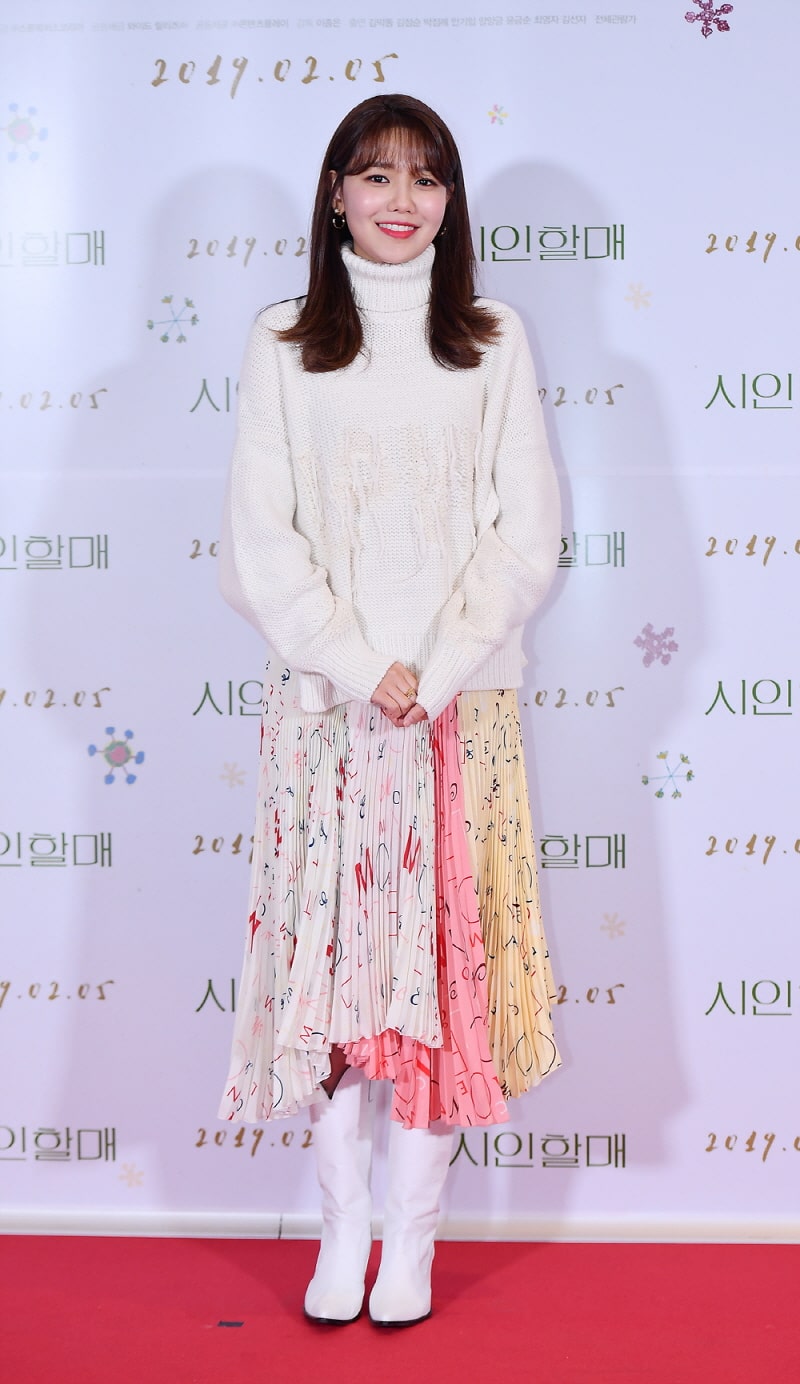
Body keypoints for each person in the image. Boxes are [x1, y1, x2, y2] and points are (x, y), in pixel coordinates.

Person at [218, 93, 562, 1328]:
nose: (400, 200)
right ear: (334, 195)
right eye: (375, 176)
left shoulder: (492, 338)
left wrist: (442, 662)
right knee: (330, 980)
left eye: (423, 177)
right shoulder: (280, 342)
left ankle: (411, 1242)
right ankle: (341, 1230)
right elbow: (257, 542)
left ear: (450, 199)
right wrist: (360, 663)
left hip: (458, 714)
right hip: (329, 713)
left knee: (437, 985)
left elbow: (526, 531)